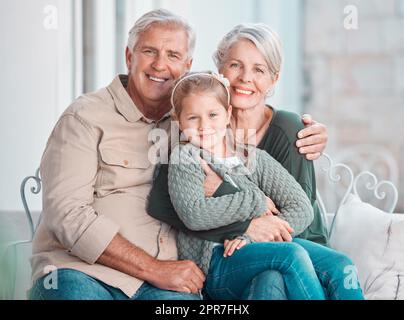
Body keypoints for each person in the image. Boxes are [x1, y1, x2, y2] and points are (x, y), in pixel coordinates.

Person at [29, 9, 328, 300]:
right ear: (129, 57)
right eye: (149, 51)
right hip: (85, 272)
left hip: (171, 281)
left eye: (173, 55)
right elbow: (67, 216)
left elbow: (251, 159)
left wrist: (308, 132)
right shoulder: (85, 117)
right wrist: (155, 268)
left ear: (187, 66)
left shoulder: (195, 122)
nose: (160, 65)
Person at [147, 23, 362, 300]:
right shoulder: (187, 148)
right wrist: (256, 204)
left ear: (274, 78)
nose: (245, 77)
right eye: (235, 65)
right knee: (281, 266)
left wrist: (246, 224)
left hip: (292, 241)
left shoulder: (267, 145)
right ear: (219, 69)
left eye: (259, 69)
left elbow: (300, 211)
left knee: (338, 265)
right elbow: (182, 211)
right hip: (222, 256)